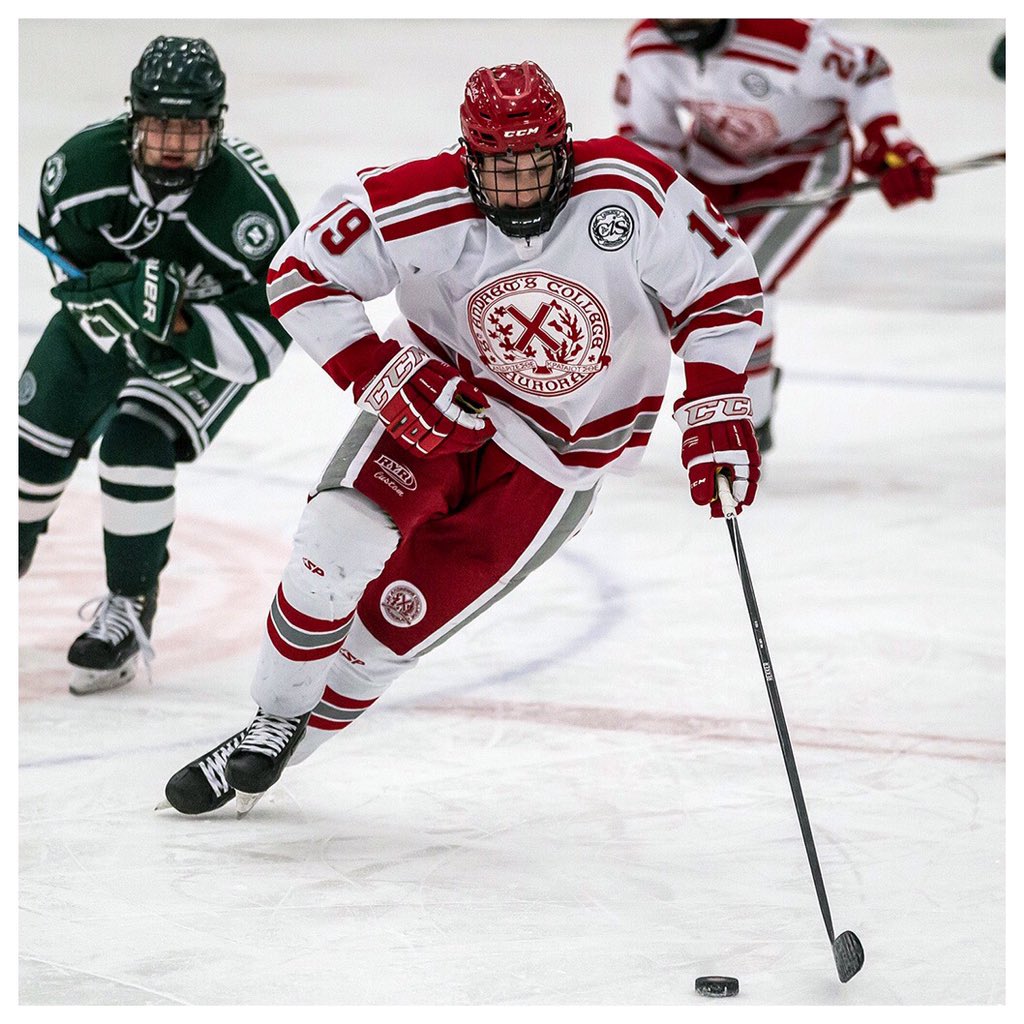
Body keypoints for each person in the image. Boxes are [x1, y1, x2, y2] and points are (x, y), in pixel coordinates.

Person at [162, 59, 764, 817]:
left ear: (564, 148)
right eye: (498, 171)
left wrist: (715, 399)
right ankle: (271, 717)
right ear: (468, 157)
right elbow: (299, 271)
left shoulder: (630, 189)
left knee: (391, 633)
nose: (519, 189)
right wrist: (382, 374)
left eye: (536, 166)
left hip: (559, 461)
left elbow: (723, 285)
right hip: (443, 410)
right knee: (333, 539)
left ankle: (282, 749)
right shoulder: (419, 198)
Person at [18, 36, 299, 694]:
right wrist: (113, 297)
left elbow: (265, 344)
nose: (174, 142)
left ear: (216, 125)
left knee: (133, 442)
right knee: (25, 466)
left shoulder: (251, 212)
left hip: (202, 346)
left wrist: (177, 322)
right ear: (134, 117)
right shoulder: (80, 171)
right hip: (103, 332)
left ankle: (130, 606)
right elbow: (73, 278)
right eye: (160, 124)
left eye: (191, 127)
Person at [613, 19, 936, 450]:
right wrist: (659, 207)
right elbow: (651, 138)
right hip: (713, 168)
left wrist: (888, 138)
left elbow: (865, 69)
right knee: (682, 286)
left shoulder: (785, 37)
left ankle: (753, 420)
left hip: (802, 167)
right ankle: (754, 392)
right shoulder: (648, 46)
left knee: (742, 286)